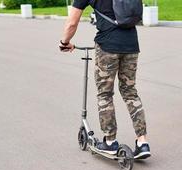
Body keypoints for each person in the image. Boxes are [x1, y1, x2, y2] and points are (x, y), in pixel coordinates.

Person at [59, 0, 150, 159]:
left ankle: (110, 141)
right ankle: (142, 142)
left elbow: (72, 23)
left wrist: (64, 42)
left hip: (107, 45)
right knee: (130, 93)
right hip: (131, 44)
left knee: (105, 94)